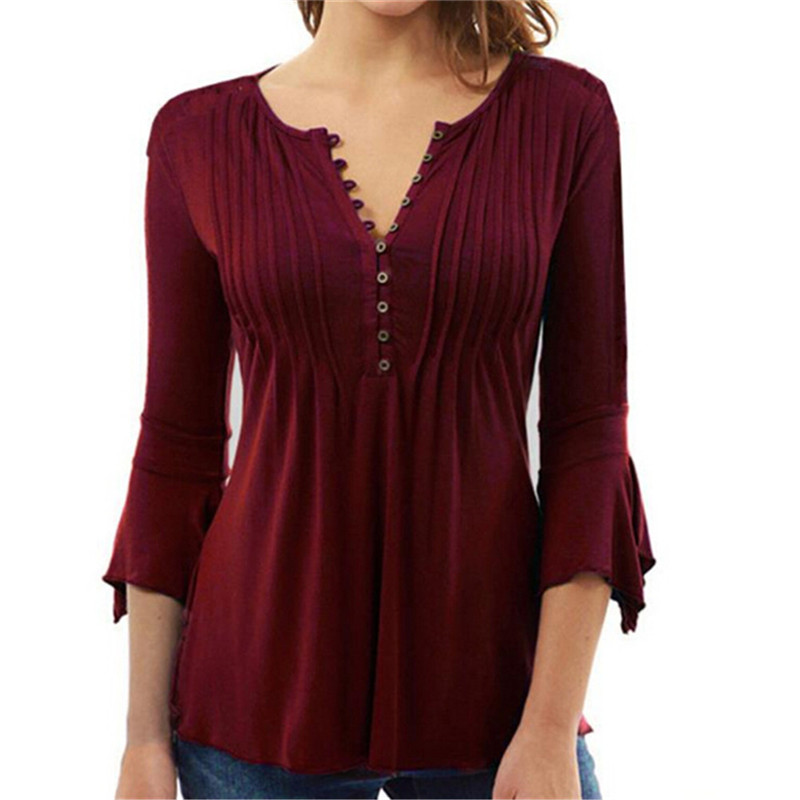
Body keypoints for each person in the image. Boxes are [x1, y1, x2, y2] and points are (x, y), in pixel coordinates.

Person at [103, 1, 656, 798]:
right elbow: (176, 446)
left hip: (501, 710)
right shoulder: (198, 136)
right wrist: (144, 740)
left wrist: (547, 728)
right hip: (251, 716)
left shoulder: (566, 117)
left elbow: (588, 435)